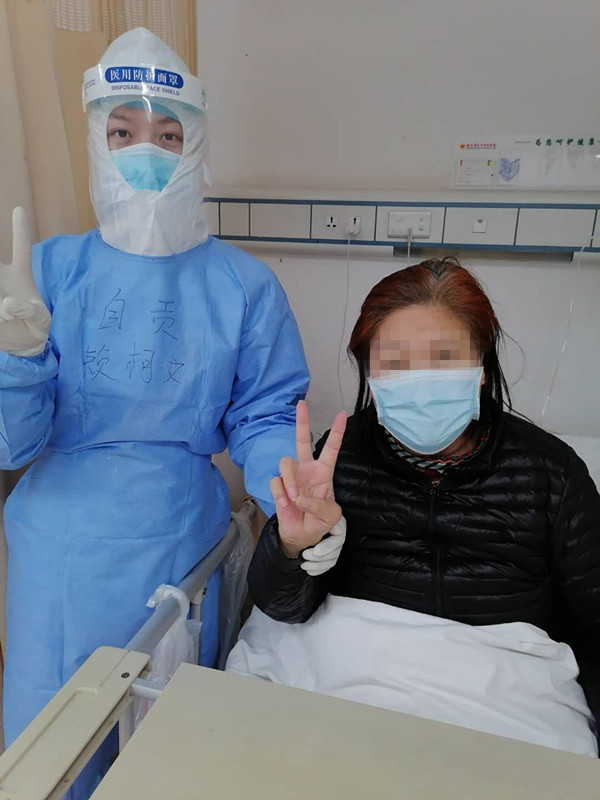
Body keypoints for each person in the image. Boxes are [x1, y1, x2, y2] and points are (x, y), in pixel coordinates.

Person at [0, 27, 310, 795]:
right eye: (123, 133)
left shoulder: (242, 285)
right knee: (51, 746)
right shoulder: (50, 271)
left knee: (165, 746)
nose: (147, 151)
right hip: (59, 556)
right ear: (96, 143)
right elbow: (12, 445)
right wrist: (17, 359)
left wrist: (287, 492)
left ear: (196, 145)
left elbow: (267, 416)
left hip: (180, 540)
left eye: (169, 135)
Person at [228, 257, 600, 758]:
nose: (420, 381)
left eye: (444, 357)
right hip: (345, 684)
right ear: (370, 373)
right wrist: (292, 546)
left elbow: (594, 624)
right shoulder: (340, 461)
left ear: (482, 367)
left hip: (505, 701)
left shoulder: (551, 472)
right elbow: (283, 609)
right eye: (396, 362)